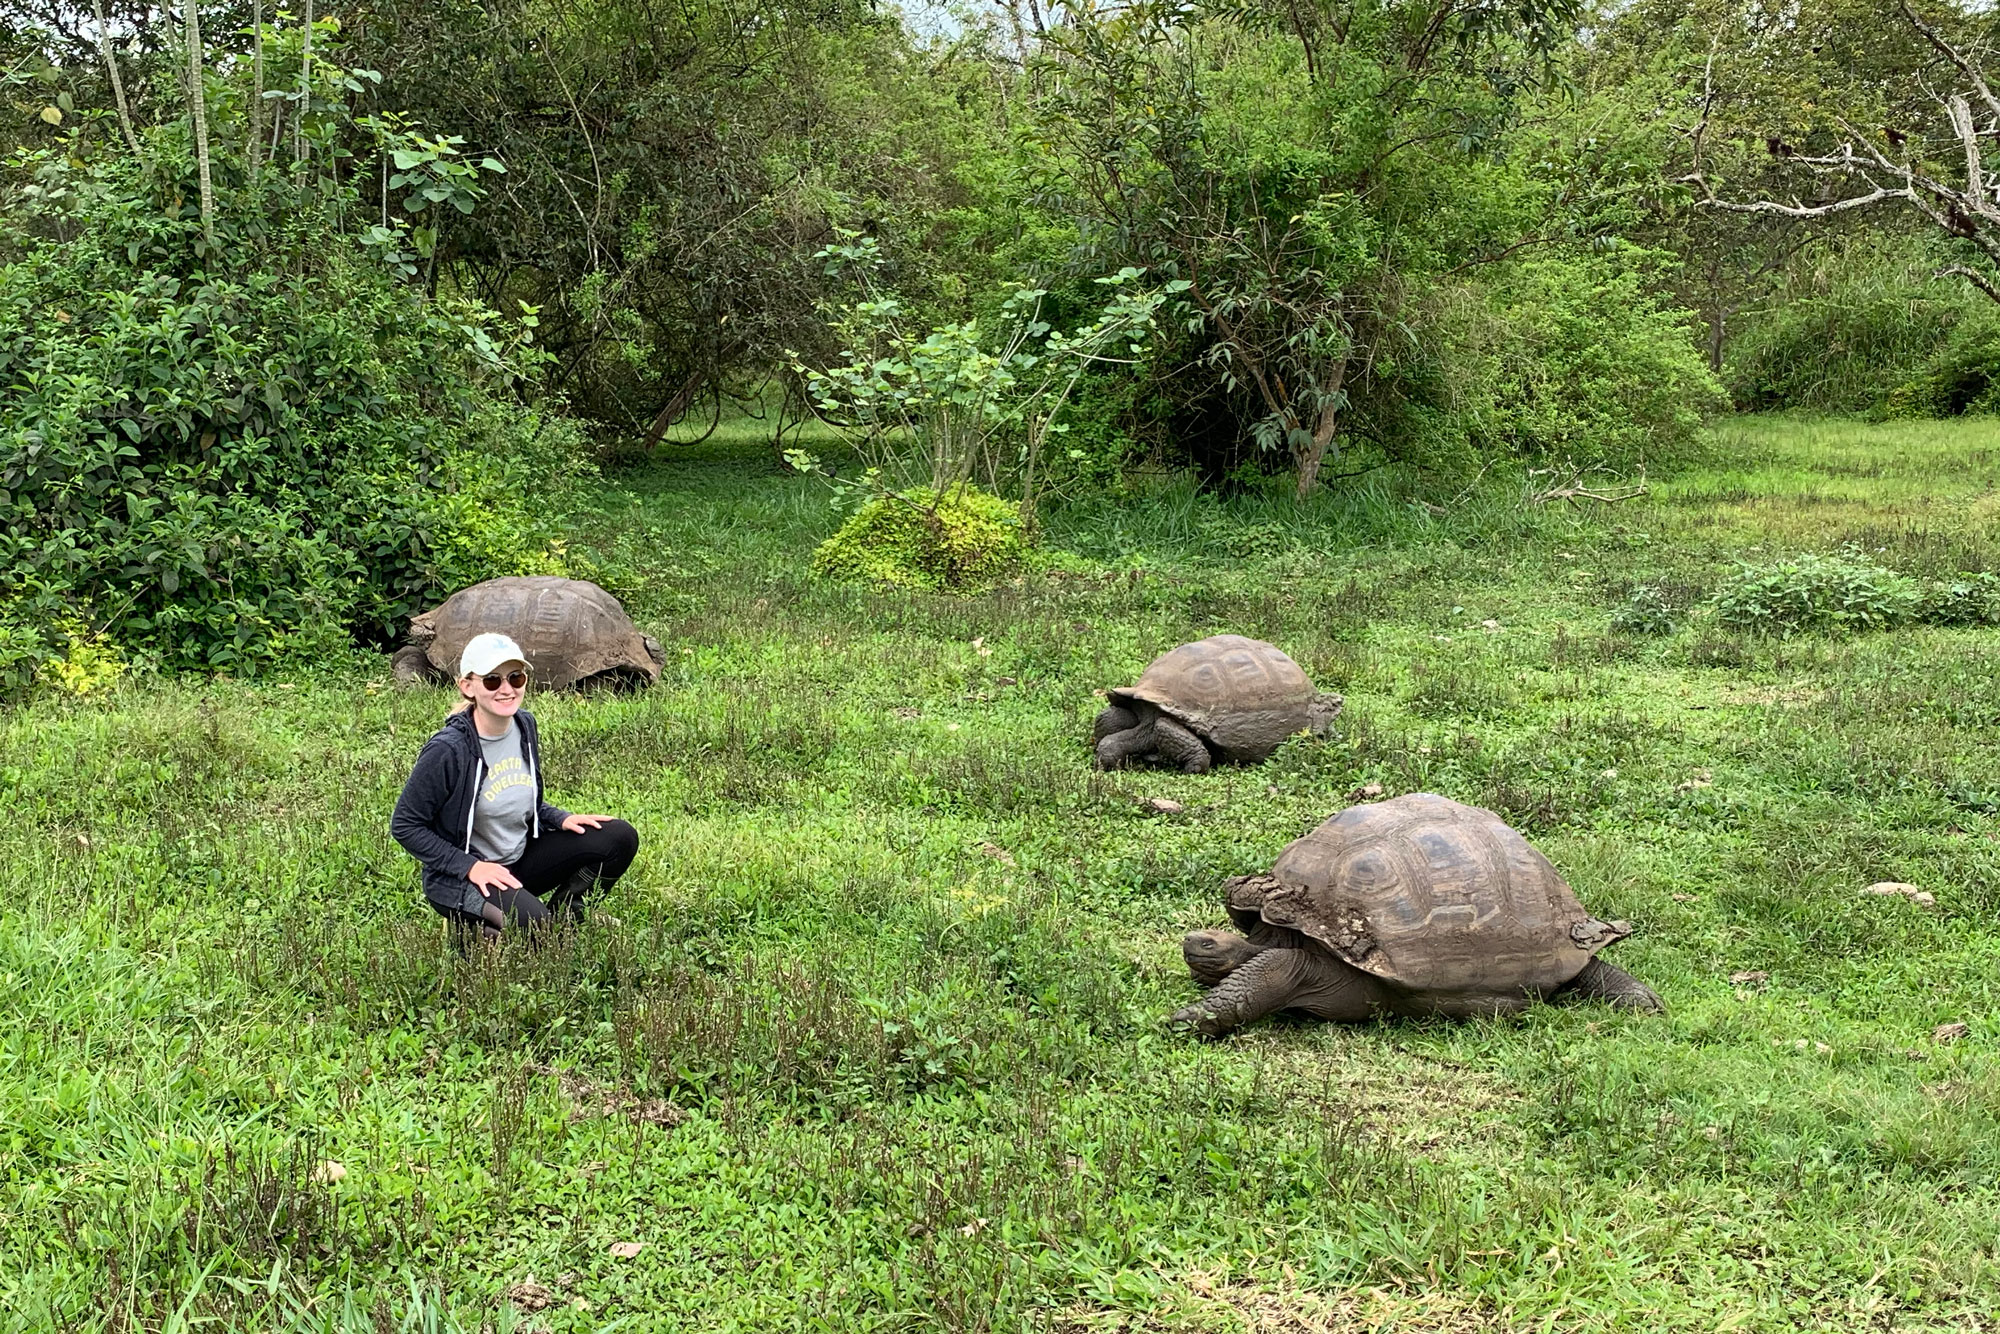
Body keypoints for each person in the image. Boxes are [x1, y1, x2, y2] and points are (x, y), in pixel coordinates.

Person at [392, 631, 639, 942]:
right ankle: (476, 926)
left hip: (518, 861)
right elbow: (405, 825)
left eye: (516, 678)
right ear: (467, 686)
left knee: (619, 837)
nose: (506, 689)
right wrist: (470, 867)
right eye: (492, 680)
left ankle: (566, 920)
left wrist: (558, 817)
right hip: (463, 877)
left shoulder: (524, 725)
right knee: (535, 929)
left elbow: (517, 797)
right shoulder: (448, 749)